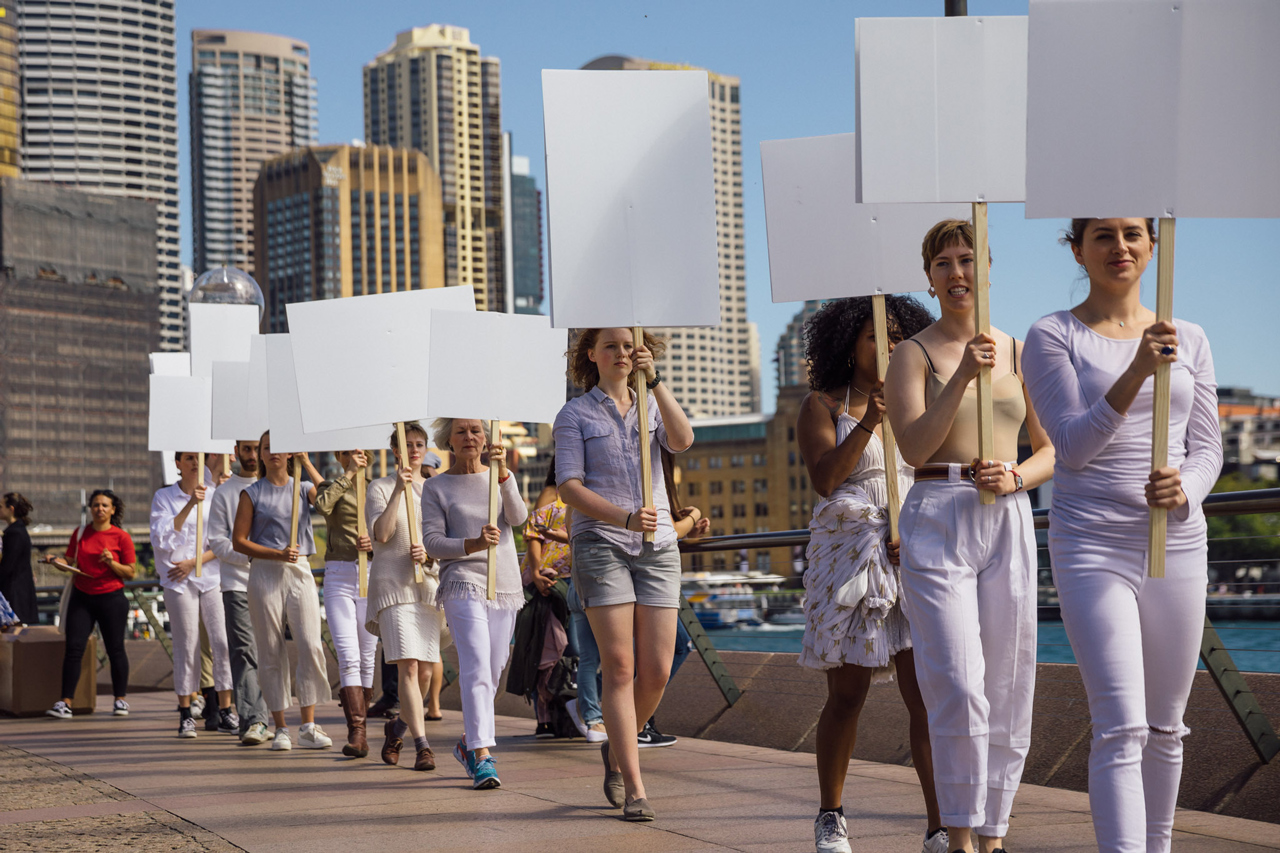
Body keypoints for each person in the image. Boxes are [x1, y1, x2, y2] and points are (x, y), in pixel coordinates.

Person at [1022, 218, 1222, 853]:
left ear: (1153, 245)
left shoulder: (1190, 337)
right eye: (1102, 235)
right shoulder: (1053, 334)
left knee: (1166, 728)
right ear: (1077, 249)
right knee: (1120, 726)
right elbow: (1071, 449)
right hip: (1091, 546)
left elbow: (1207, 449)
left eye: (1134, 233)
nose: (1121, 247)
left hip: (1176, 544)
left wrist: (1186, 487)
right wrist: (1137, 368)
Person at [884, 219, 1056, 853]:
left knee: (1011, 680)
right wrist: (960, 379)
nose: (956, 273)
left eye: (966, 259)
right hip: (937, 509)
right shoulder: (914, 354)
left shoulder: (1022, 352)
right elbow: (912, 445)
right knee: (957, 680)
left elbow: (1050, 450)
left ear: (985, 267)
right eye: (942, 263)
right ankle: (958, 834)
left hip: (1005, 510)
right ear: (928, 278)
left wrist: (1015, 476)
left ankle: (994, 833)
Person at [794, 296, 945, 853]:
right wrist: (870, 422)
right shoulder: (823, 404)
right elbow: (825, 480)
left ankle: (940, 825)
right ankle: (830, 815)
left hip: (914, 551)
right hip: (852, 552)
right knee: (848, 694)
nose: (884, 348)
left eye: (895, 337)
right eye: (871, 338)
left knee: (924, 695)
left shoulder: (922, 400)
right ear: (848, 345)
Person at [553, 327, 694, 822]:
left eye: (628, 345)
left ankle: (616, 746)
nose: (620, 353)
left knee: (655, 669)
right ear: (591, 355)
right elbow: (569, 488)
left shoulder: (651, 402)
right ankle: (635, 787)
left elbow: (683, 440)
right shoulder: (575, 414)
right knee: (619, 665)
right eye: (608, 345)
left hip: (658, 547)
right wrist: (624, 516)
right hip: (600, 543)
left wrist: (653, 380)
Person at [421, 417, 527, 790]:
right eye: (462, 431)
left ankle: (468, 742)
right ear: (447, 439)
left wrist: (504, 479)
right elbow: (432, 542)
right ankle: (482, 756)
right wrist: (472, 544)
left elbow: (519, 519)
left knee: (495, 667)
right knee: (478, 665)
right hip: (461, 581)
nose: (470, 437)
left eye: (476, 430)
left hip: (505, 584)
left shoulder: (501, 477)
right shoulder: (436, 487)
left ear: (487, 438)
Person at [232, 432, 333, 751]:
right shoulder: (252, 493)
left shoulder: (303, 488)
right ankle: (280, 728)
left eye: (279, 447)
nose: (273, 452)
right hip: (264, 572)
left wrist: (307, 461)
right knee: (270, 649)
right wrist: (275, 553)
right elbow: (239, 541)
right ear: (259, 455)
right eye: (266, 448)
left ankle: (309, 724)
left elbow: (330, 503)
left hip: (299, 570)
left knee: (309, 643)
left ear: (289, 454)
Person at [366, 425, 444, 772]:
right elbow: (381, 535)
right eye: (406, 445)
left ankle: (397, 728)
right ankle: (422, 746)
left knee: (426, 672)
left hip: (426, 587)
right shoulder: (379, 487)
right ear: (395, 450)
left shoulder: (434, 489)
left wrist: (428, 557)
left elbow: (442, 544)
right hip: (393, 588)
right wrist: (399, 488)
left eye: (419, 444)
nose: (413, 450)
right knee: (409, 667)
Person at [150, 453, 235, 738]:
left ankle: (225, 709)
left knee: (222, 642)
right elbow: (162, 538)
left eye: (199, 457)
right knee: (187, 645)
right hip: (179, 582)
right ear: (178, 463)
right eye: (189, 458)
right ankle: (186, 712)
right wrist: (190, 504)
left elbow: (223, 541)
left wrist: (194, 562)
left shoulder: (216, 495)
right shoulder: (164, 497)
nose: (195, 463)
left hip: (209, 576)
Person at [41, 490, 136, 718]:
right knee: (74, 649)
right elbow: (70, 562)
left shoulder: (121, 537)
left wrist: (112, 562)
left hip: (112, 598)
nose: (99, 509)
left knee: (115, 650)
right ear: (90, 509)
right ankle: (65, 703)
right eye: (95, 505)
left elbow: (131, 572)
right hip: (82, 597)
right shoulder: (81, 532)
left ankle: (120, 700)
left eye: (104, 505)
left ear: (113, 510)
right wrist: (55, 561)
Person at [207, 439, 272, 745]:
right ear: (235, 452)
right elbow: (218, 542)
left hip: (273, 581)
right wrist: (251, 555)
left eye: (254, 449)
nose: (250, 456)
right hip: (237, 583)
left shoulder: (277, 488)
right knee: (244, 650)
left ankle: (278, 718)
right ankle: (254, 719)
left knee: (272, 650)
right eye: (244, 449)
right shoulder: (224, 493)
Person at [315, 449, 378, 759]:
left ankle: (362, 733)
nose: (358, 455)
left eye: (362, 450)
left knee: (367, 655)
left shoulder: (380, 488)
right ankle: (357, 732)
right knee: (347, 653)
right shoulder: (332, 485)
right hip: (339, 572)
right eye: (350, 451)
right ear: (340, 456)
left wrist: (376, 542)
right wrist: (350, 474)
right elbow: (322, 506)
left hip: (372, 572)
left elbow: (394, 531)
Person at [521, 459, 574, 739]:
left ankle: (566, 715)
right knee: (549, 647)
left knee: (567, 649)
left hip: (577, 581)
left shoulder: (588, 492)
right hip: (551, 582)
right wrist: (536, 572)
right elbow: (533, 534)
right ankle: (546, 717)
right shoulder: (552, 493)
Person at [0, 493, 37, 625]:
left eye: (1, 506)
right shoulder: (19, 530)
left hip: (15, 593)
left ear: (11, 509)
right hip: (20, 591)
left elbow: (7, 566)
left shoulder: (14, 533)